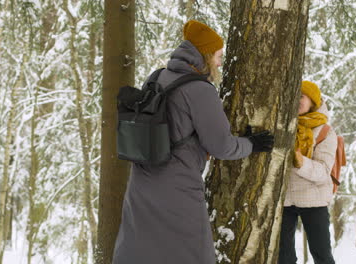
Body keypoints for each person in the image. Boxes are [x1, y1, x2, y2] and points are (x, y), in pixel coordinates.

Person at [112, 20, 275, 264]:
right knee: (192, 254)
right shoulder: (201, 90)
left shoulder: (156, 77)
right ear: (206, 55)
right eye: (219, 55)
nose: (221, 62)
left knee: (141, 250)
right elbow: (222, 146)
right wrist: (251, 144)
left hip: (142, 183)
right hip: (178, 188)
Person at [278, 81, 337, 264]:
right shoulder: (282, 124)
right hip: (285, 199)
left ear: (312, 101)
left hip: (314, 199)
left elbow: (324, 171)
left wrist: (301, 162)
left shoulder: (325, 131)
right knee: (283, 258)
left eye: (301, 96)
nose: (296, 101)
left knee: (322, 256)